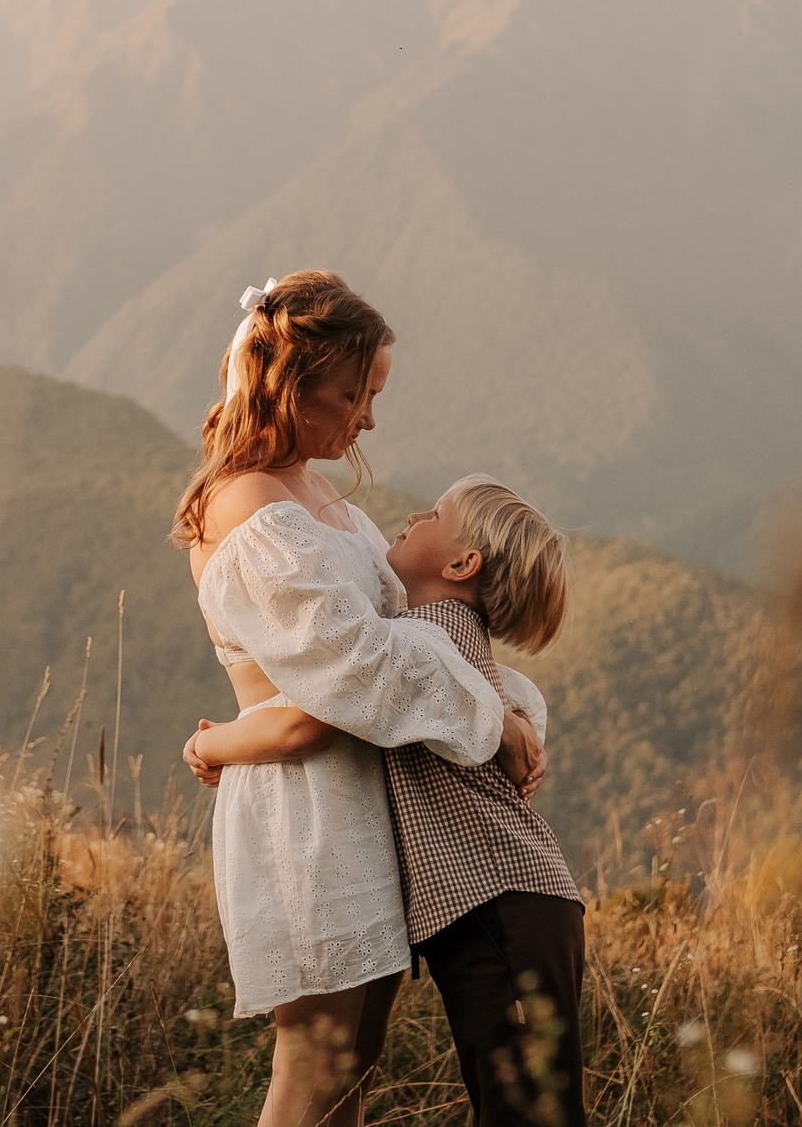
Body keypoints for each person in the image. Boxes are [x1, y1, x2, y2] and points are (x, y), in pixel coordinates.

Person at [176, 271, 548, 1127]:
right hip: (306, 819)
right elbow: (350, 675)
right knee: (311, 1074)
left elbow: (416, 626)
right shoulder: (249, 509)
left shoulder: (316, 494)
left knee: (351, 1075)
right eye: (354, 394)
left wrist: (514, 708)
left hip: (364, 809)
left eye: (373, 393)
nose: (368, 418)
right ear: (289, 386)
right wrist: (491, 727)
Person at [376, 476, 585, 1127]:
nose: (413, 514)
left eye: (435, 513)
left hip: (500, 907)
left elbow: (357, 662)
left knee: (525, 1113)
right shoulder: (448, 636)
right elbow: (504, 699)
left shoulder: (424, 640)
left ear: (463, 563)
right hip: (516, 907)